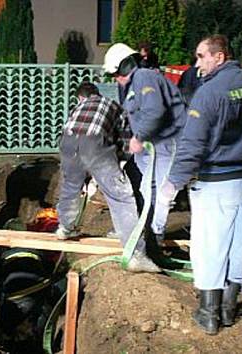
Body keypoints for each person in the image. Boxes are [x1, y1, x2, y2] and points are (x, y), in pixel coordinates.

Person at [165, 35, 242, 335]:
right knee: (238, 249)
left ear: (219, 57)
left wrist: (173, 184)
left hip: (219, 185)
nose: (197, 64)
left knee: (210, 249)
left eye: (200, 56)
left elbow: (192, 144)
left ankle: (208, 315)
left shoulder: (211, 92)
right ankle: (229, 311)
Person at [56, 82, 160, 272]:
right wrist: (117, 164)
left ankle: (65, 227)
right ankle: (136, 254)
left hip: (67, 140)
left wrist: (84, 172)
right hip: (95, 142)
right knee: (120, 196)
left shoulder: (79, 107)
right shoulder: (112, 105)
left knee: (70, 187)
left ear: (81, 98)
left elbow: (74, 135)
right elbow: (124, 139)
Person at [102, 43, 187, 253]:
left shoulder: (144, 78)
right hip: (152, 146)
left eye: (115, 73)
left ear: (123, 67)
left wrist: (138, 138)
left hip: (167, 143)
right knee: (143, 188)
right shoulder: (130, 86)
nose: (115, 78)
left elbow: (154, 111)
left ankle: (155, 236)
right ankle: (137, 230)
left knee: (161, 191)